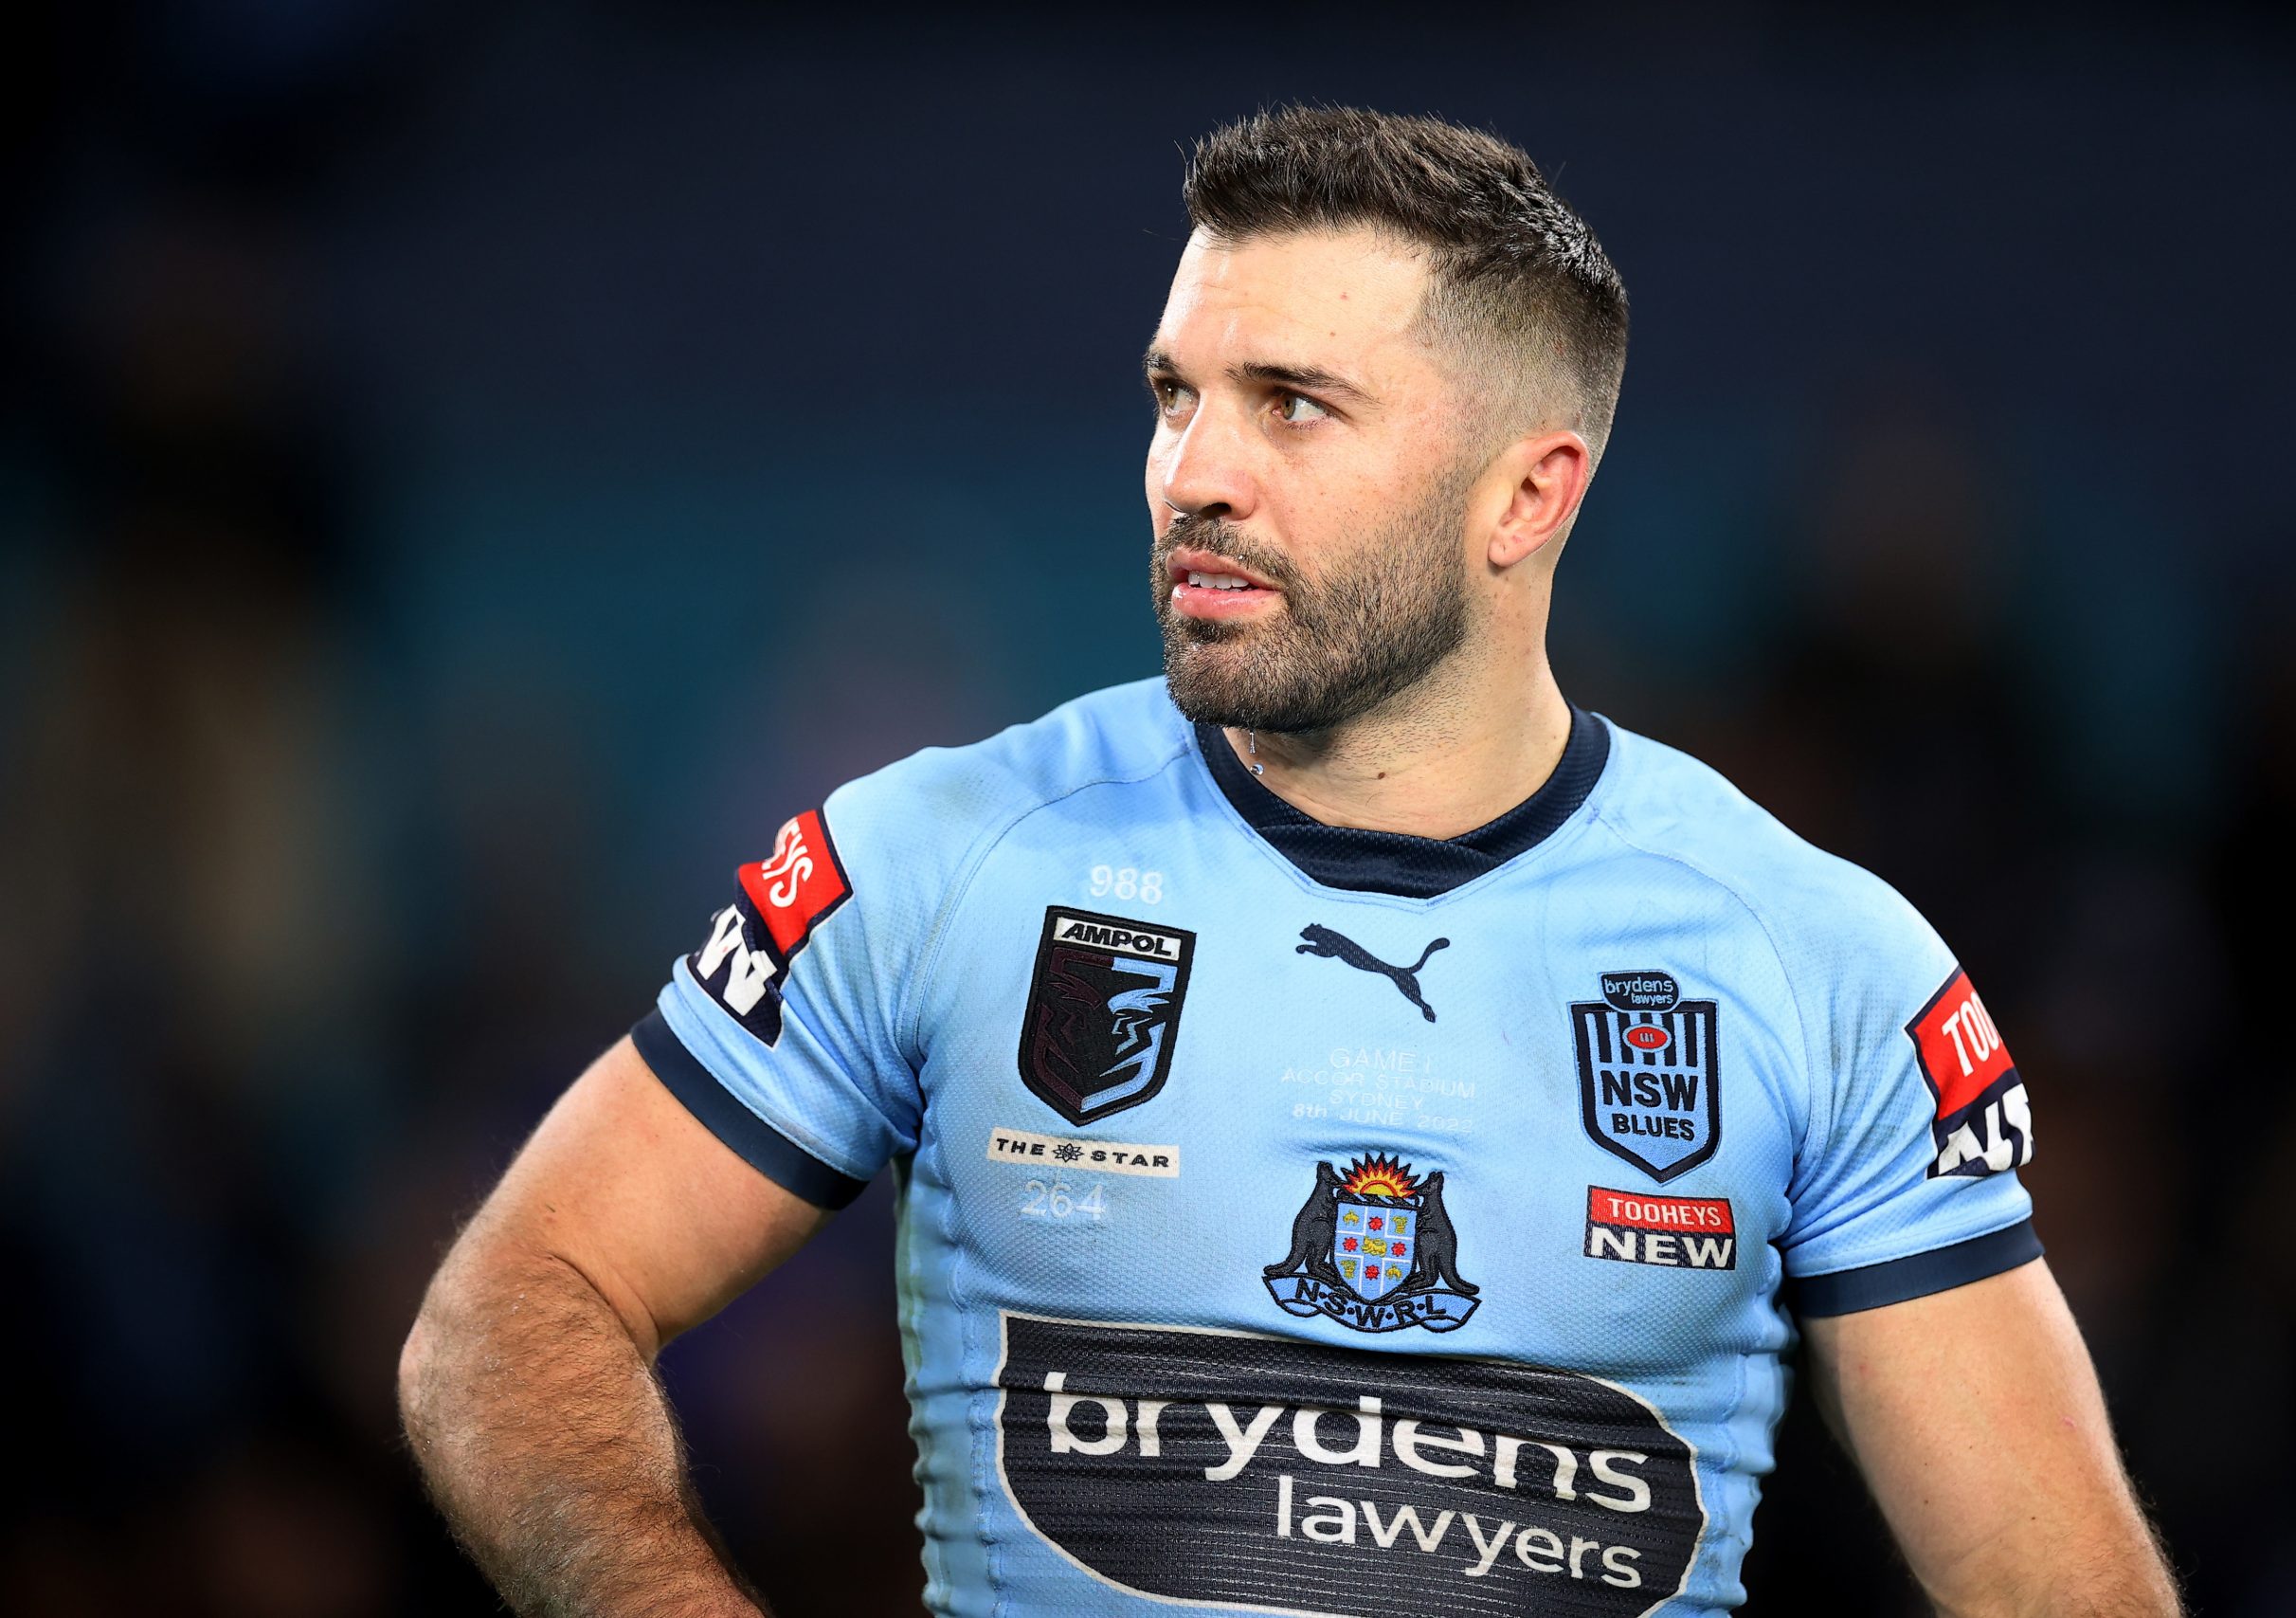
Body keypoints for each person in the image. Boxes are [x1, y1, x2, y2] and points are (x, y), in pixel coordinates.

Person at [399, 106, 2179, 1616]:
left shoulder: (1821, 963)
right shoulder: (935, 863)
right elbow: (507, 1315)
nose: (1196, 472)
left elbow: (2062, 1588)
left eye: (1293, 405)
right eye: (1176, 394)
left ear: (1529, 495)